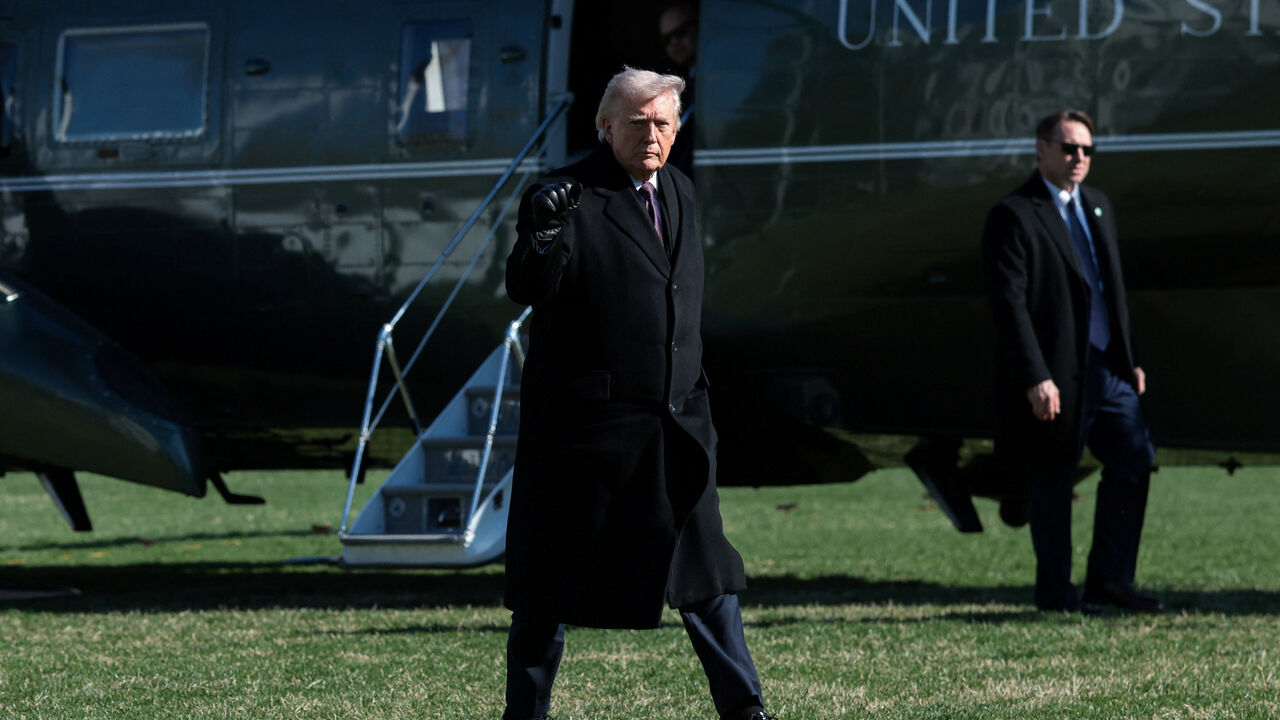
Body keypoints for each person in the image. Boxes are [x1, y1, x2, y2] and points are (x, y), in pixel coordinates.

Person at [501, 68, 773, 720]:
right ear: (605, 127)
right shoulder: (564, 192)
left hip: (676, 426)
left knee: (709, 579)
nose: (651, 135)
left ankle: (747, 710)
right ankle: (524, 714)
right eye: (637, 123)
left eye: (663, 123)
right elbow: (528, 285)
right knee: (548, 593)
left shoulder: (679, 188)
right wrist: (540, 234)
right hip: (588, 434)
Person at [981, 110, 1161, 613]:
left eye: (1087, 150)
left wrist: (1131, 358)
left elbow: (1113, 292)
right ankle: (1056, 593)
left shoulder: (1098, 206)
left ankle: (1110, 579)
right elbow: (1008, 304)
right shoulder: (1015, 213)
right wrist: (1035, 374)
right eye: (1068, 148)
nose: (1078, 158)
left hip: (1109, 369)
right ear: (1041, 149)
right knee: (1053, 479)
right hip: (1057, 372)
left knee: (1134, 459)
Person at [657, 2, 697, 176]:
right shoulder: (675, 85)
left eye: (681, 33)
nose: (675, 43)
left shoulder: (717, 78)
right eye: (667, 39)